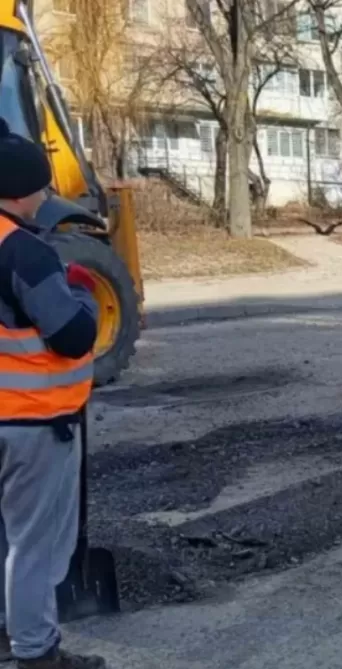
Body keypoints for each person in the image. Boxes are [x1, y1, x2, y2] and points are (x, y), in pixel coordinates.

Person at [0, 119, 105, 669]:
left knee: (4, 539)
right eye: (40, 187)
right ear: (19, 191)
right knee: (33, 546)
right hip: (32, 425)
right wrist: (82, 294)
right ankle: (37, 654)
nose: (45, 196)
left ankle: (8, 628)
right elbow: (73, 336)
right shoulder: (25, 252)